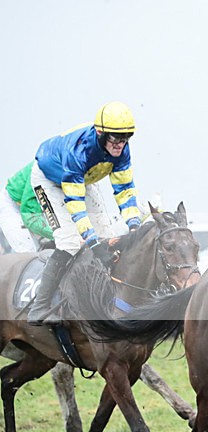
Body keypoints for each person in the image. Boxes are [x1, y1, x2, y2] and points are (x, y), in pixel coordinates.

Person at [27, 101, 142, 325]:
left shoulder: (122, 150)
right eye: (115, 138)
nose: (121, 144)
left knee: (107, 237)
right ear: (100, 133)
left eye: (126, 137)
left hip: (84, 179)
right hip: (49, 181)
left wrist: (134, 226)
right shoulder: (79, 150)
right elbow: (75, 203)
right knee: (70, 241)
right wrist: (92, 242)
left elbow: (125, 190)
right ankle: (39, 306)